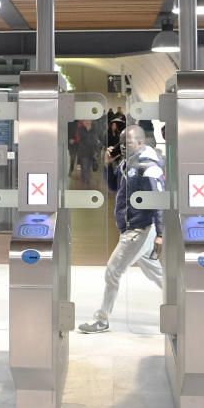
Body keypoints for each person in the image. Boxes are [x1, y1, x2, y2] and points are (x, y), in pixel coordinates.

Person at [78, 125, 164, 334]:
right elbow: (114, 186)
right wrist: (109, 165)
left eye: (129, 143)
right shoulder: (130, 162)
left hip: (140, 229)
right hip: (135, 227)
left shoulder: (148, 166)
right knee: (156, 274)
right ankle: (184, 303)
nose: (123, 147)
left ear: (141, 142)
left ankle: (102, 319)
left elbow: (158, 200)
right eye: (122, 143)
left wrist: (161, 234)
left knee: (113, 272)